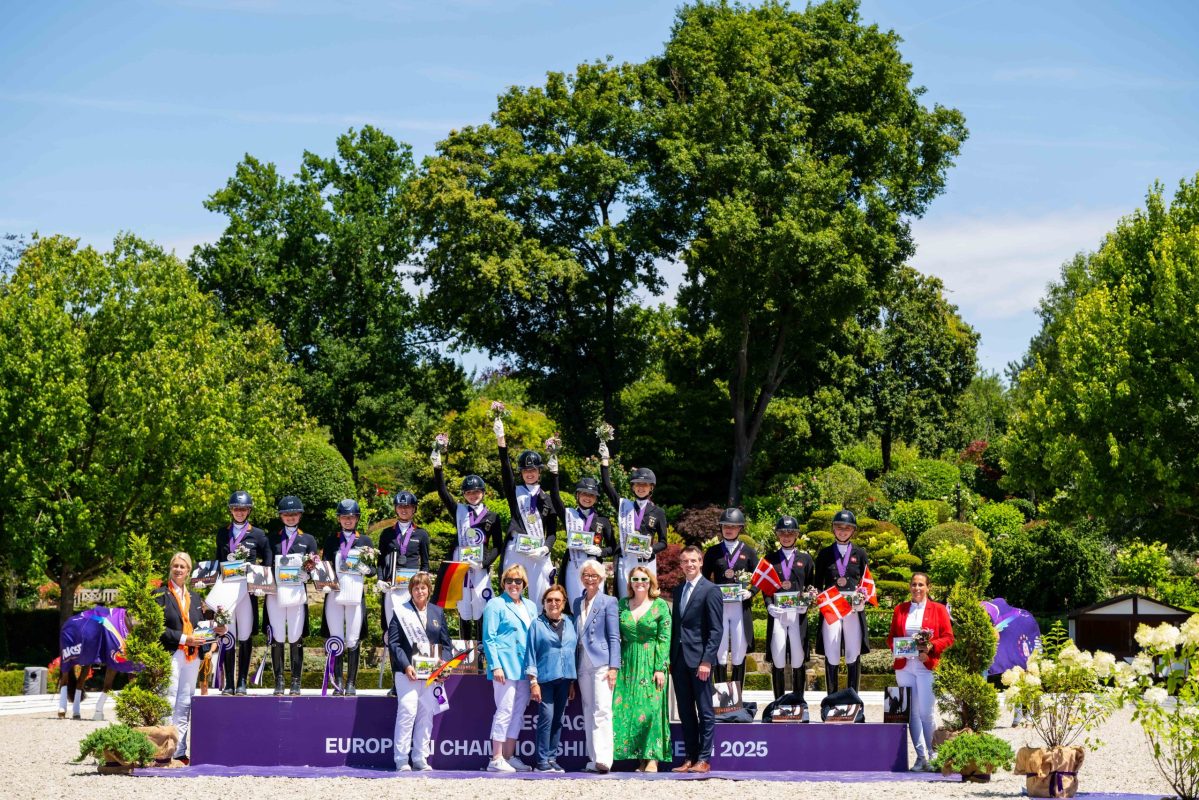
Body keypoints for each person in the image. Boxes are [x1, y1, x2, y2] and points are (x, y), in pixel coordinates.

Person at [155, 552, 222, 764]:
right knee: (169, 698)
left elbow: (202, 627)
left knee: (184, 703)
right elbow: (157, 628)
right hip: (172, 652)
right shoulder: (159, 595)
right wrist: (185, 638)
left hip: (192, 657)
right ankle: (164, 751)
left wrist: (217, 629)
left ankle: (180, 751)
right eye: (175, 565)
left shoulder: (195, 599)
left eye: (182, 566)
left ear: (188, 570)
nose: (178, 569)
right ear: (170, 568)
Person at [432, 451, 504, 641]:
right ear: (464, 494)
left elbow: (498, 546)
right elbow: (443, 492)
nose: (473, 495)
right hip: (461, 567)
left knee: (481, 607)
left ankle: (480, 653)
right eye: (469, 492)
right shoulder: (459, 511)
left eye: (476, 492)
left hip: (480, 568)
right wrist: (437, 467)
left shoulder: (492, 517)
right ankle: (466, 656)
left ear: (483, 492)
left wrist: (484, 563)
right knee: (463, 609)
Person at [888, 573, 955, 772]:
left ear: (928, 588)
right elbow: (891, 637)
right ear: (910, 587)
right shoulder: (900, 609)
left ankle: (934, 755)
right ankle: (920, 757)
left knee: (926, 712)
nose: (917, 588)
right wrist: (898, 647)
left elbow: (949, 638)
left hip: (927, 666)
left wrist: (931, 648)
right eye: (914, 584)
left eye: (921, 584)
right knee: (911, 714)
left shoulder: (939, 609)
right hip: (904, 666)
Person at [387, 572, 452, 771]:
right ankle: (401, 759)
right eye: (416, 588)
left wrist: (444, 663)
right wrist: (406, 665)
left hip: (431, 674)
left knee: (426, 714)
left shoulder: (437, 612)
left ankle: (420, 758)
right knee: (407, 711)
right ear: (411, 591)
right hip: (407, 672)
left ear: (429, 590)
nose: (419, 591)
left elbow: (446, 645)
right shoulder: (401, 611)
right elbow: (394, 643)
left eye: (423, 587)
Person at [669, 545, 723, 774]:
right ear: (680, 565)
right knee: (685, 712)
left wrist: (707, 661)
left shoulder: (710, 590)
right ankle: (690, 758)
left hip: (700, 661)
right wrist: (671, 659)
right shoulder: (679, 590)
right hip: (680, 660)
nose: (689, 565)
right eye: (685, 561)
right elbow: (677, 628)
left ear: (701, 562)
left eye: (693, 560)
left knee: (705, 711)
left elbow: (716, 630)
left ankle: (704, 758)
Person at [495, 419, 559, 608]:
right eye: (525, 471)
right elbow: (505, 470)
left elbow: (553, 532)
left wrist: (546, 548)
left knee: (541, 596)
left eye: (533, 470)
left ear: (540, 472)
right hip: (517, 549)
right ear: (521, 473)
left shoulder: (547, 499)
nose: (529, 474)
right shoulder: (514, 492)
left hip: (538, 552)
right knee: (510, 592)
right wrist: (501, 441)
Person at [613, 565, 671, 772]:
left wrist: (660, 668)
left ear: (650, 583)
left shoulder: (660, 606)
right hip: (627, 663)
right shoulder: (621, 604)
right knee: (628, 709)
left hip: (651, 662)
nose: (639, 583)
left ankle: (653, 757)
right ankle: (640, 758)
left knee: (651, 710)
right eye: (635, 579)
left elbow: (664, 639)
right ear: (630, 582)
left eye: (644, 580)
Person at [482, 564, 539, 773]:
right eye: (509, 581)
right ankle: (495, 757)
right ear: (503, 583)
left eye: (518, 581)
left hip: (525, 668)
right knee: (504, 710)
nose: (513, 585)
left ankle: (508, 755)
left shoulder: (531, 606)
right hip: (504, 667)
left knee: (518, 712)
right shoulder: (495, 604)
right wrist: (495, 665)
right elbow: (489, 637)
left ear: (524, 584)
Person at [214, 490, 270, 695]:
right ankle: (229, 681)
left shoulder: (259, 534)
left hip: (247, 592)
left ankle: (242, 681)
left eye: (243, 509)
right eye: (236, 509)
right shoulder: (222, 533)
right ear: (231, 510)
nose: (239, 512)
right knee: (228, 634)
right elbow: (217, 560)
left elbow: (268, 560)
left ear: (249, 511)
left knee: (245, 635)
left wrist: (263, 582)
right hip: (227, 590)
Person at [265, 495, 319, 696]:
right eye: (286, 514)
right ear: (281, 516)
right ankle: (279, 680)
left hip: (297, 593)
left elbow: (316, 568)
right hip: (276, 594)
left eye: (294, 514)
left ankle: (296, 681)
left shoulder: (308, 539)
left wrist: (309, 573)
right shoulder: (272, 538)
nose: (290, 517)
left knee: (295, 636)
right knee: (278, 636)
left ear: (300, 515)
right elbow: (268, 566)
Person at [600, 440, 668, 597]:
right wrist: (605, 461)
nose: (641, 487)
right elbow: (607, 486)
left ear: (651, 487)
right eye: (637, 484)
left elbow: (664, 542)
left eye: (645, 484)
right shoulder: (624, 505)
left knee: (646, 600)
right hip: (626, 561)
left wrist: (652, 549)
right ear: (632, 487)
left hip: (646, 561)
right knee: (625, 600)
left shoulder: (658, 512)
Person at [571, 559, 621, 773]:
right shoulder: (576, 602)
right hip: (582, 661)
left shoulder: (609, 601)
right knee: (588, 710)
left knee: (602, 709)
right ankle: (593, 759)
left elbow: (614, 636)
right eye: (586, 575)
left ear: (601, 578)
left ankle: (604, 758)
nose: (589, 579)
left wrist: (614, 667)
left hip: (601, 661)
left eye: (594, 575)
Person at [321, 498, 375, 696]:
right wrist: (322, 581)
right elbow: (325, 566)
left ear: (357, 518)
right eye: (344, 517)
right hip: (334, 595)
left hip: (355, 596)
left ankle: (351, 682)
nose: (347, 521)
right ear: (339, 519)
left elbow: (373, 571)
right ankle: (337, 682)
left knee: (353, 639)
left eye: (351, 517)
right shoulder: (331, 540)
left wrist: (362, 567)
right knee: (336, 639)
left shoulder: (365, 541)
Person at [813, 509, 871, 693]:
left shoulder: (860, 554)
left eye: (847, 528)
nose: (843, 531)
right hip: (832, 609)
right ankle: (831, 699)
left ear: (853, 531)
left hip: (852, 610)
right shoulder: (824, 554)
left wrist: (864, 598)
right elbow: (817, 584)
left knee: (853, 652)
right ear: (833, 529)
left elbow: (866, 582)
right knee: (832, 651)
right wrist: (817, 597)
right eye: (839, 527)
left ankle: (853, 697)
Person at [701, 508, 757, 687]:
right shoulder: (713, 552)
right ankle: (721, 697)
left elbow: (759, 577)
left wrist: (752, 591)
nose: (729, 530)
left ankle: (737, 697)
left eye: (733, 527)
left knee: (740, 650)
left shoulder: (748, 551)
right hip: (719, 607)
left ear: (740, 528)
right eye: (725, 526)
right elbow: (703, 578)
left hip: (740, 607)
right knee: (720, 650)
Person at [525, 584, 578, 773]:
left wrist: (572, 682)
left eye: (557, 600)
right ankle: (541, 761)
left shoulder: (571, 622)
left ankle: (552, 758)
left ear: (563, 603)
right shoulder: (536, 624)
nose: (553, 603)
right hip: (545, 679)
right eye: (549, 600)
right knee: (546, 719)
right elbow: (529, 654)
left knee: (558, 720)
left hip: (565, 679)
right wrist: (533, 683)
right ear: (544, 604)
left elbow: (573, 652)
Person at [764, 515, 816, 704]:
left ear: (796, 535)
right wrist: (768, 604)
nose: (786, 537)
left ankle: (798, 702)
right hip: (778, 614)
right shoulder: (770, 559)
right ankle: (778, 703)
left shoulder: (806, 559)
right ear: (778, 535)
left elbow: (811, 586)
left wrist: (807, 603)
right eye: (782, 533)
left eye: (790, 533)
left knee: (798, 657)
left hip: (797, 615)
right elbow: (765, 586)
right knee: (778, 657)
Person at [549, 467, 614, 607]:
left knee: (594, 606)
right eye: (584, 494)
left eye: (591, 495)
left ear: (595, 498)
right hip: (574, 567)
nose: (587, 498)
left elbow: (614, 547)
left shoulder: (603, 521)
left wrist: (601, 551)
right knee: (574, 606)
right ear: (577, 495)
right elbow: (555, 497)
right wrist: (554, 474)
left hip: (594, 568)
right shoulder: (568, 514)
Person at [379, 489, 431, 635]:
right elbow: (381, 561)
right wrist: (380, 579)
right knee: (392, 627)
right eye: (401, 507)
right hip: (392, 586)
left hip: (412, 588)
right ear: (395, 508)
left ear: (414, 509)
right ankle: (394, 657)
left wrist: (422, 580)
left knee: (411, 626)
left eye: (408, 507)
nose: (404, 510)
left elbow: (425, 563)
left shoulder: (422, 534)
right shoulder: (387, 533)